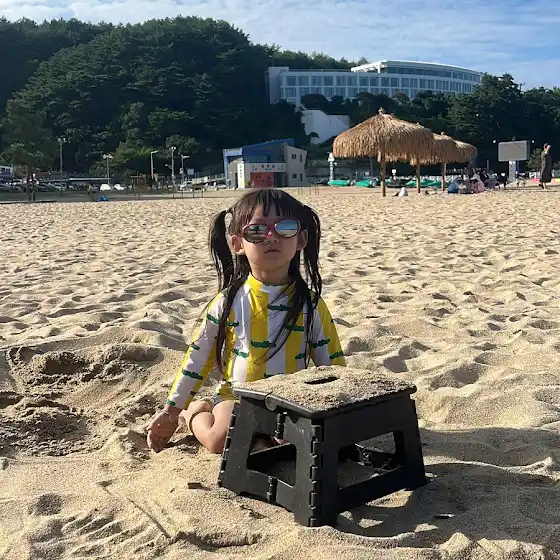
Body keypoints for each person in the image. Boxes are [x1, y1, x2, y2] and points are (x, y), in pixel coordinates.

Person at [147, 188, 346, 454]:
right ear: (238, 244)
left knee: (291, 447)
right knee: (220, 441)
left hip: (292, 398)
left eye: (285, 228)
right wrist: (173, 410)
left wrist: (342, 408)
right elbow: (198, 357)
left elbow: (332, 364)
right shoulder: (228, 301)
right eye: (257, 231)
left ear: (301, 239)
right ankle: (196, 412)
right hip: (237, 396)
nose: (271, 236)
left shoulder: (310, 304)